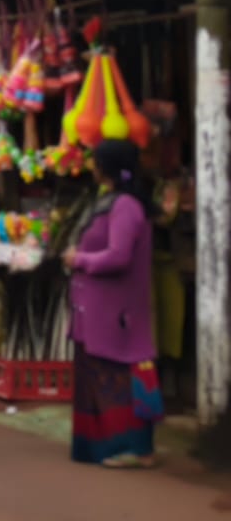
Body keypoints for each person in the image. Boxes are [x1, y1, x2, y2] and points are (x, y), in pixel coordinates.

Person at [62, 139, 160, 468]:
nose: (91, 166)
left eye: (96, 161)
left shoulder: (126, 207)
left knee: (117, 375)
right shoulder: (110, 201)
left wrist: (80, 259)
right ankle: (105, 446)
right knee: (100, 375)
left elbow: (119, 256)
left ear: (108, 167)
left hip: (116, 310)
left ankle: (132, 448)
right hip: (97, 307)